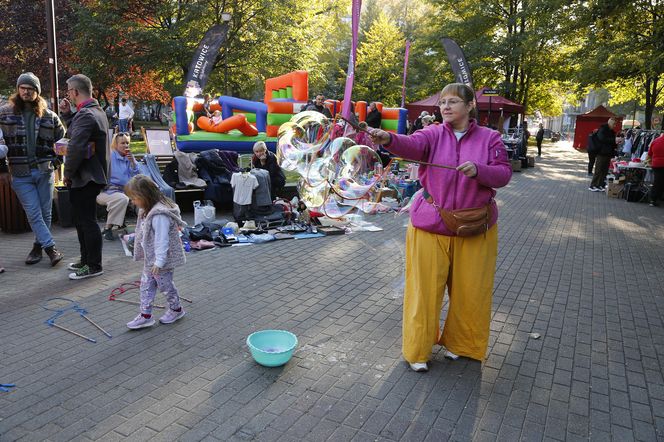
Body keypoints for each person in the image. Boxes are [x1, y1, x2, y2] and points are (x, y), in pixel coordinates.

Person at [369, 83, 512, 372]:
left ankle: (463, 345)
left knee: (471, 291)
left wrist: (480, 170)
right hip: (431, 225)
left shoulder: (490, 138)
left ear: (470, 105)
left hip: (475, 227)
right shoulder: (432, 133)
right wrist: (388, 139)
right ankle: (418, 351)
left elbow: (503, 174)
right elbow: (411, 145)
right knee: (423, 292)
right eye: (443, 102)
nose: (445, 107)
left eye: (453, 102)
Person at [0, 72, 66, 267]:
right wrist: (2, 169)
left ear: (37, 92)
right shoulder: (4, 113)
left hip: (44, 171)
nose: (26, 92)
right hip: (20, 173)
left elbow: (62, 141)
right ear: (18, 89)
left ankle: (37, 248)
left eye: (31, 89)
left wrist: (56, 161)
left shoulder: (49, 116)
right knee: (33, 212)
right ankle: (51, 248)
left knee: (45, 213)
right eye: (23, 88)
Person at [61, 74, 110, 280]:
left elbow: (75, 147)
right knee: (82, 221)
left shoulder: (87, 115)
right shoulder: (95, 111)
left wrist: (67, 173)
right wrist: (67, 116)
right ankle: (85, 260)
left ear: (75, 92)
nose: (69, 96)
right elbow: (78, 133)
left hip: (86, 177)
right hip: (91, 176)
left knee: (87, 222)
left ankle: (93, 265)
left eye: (69, 92)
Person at [124, 175, 187, 329]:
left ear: (145, 196)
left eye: (134, 198)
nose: (132, 202)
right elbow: (144, 232)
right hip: (150, 259)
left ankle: (176, 309)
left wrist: (159, 262)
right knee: (146, 285)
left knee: (165, 286)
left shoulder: (159, 214)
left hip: (161, 261)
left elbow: (161, 240)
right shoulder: (146, 210)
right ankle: (145, 315)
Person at [97, 132, 139, 240]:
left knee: (143, 196)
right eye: (122, 143)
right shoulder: (110, 156)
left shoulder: (128, 158)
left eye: (127, 143)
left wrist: (133, 162)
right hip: (105, 191)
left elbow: (136, 176)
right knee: (122, 199)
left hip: (124, 190)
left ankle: (144, 227)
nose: (126, 146)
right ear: (115, 144)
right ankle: (108, 228)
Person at [589, 117, 617, 192]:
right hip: (601, 153)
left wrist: (616, 142)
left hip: (608, 153)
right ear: (610, 123)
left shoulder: (611, 131)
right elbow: (602, 139)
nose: (615, 126)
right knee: (598, 170)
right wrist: (614, 140)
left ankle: (600, 185)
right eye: (614, 124)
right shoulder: (603, 129)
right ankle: (592, 185)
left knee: (604, 171)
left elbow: (610, 142)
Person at [647, 133, 664, 207]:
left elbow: (649, 154)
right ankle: (655, 199)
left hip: (655, 164)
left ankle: (653, 199)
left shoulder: (655, 141)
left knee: (657, 181)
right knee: (660, 182)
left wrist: (649, 162)